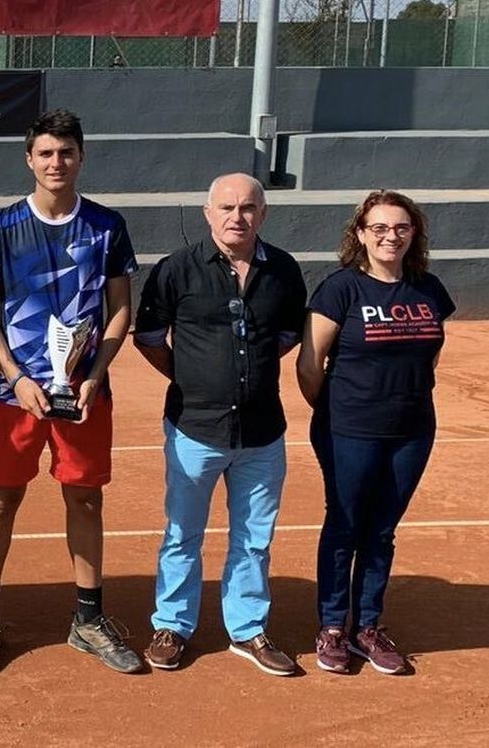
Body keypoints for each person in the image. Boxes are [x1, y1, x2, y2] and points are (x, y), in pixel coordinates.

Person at [0, 109, 142, 674]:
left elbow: (120, 311)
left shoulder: (108, 226)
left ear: (81, 157)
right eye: (45, 153)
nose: (56, 162)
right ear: (29, 160)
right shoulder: (1, 226)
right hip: (13, 392)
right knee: (1, 498)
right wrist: (15, 375)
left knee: (85, 498)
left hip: (86, 394)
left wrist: (95, 374)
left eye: (66, 152)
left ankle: (88, 620)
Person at [134, 173, 307, 677]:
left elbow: (290, 330)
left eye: (249, 208)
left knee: (254, 538)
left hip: (262, 434)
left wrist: (248, 370)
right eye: (227, 207)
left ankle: (248, 630)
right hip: (194, 430)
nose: (238, 217)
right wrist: (191, 376)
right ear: (208, 213)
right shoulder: (176, 270)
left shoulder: (284, 271)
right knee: (182, 533)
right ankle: (172, 625)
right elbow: (148, 337)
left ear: (263, 214)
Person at [296, 191, 454, 675]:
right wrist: (338, 411)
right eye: (380, 228)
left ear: (414, 234)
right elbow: (309, 364)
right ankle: (331, 628)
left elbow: (428, 353)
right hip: (349, 429)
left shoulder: (428, 289)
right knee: (345, 526)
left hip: (411, 430)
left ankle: (368, 625)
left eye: (401, 227)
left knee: (382, 530)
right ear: (361, 234)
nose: (391, 236)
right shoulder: (340, 289)